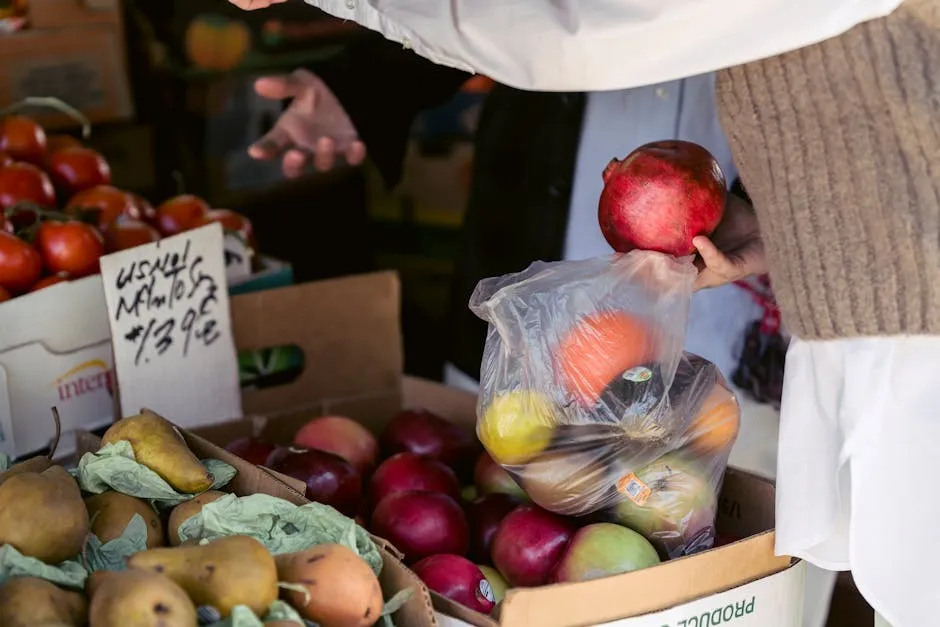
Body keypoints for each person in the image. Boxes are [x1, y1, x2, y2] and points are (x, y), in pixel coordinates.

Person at [231, 1, 938, 625]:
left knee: (746, 559)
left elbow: (578, 22)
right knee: (518, 486)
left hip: (782, 320)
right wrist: (366, 82)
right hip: (553, 296)